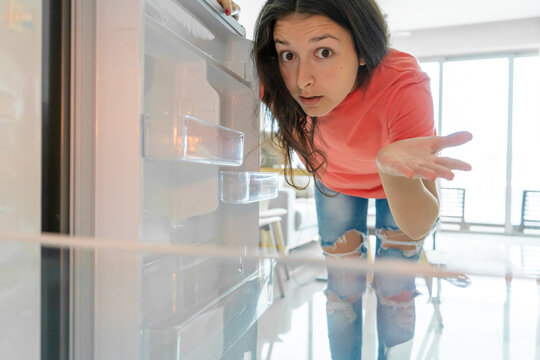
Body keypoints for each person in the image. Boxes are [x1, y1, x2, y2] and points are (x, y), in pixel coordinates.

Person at [220, 1, 472, 359]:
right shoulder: (276, 76)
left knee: (396, 287)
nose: (303, 79)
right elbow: (210, 52)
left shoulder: (403, 84)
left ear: (363, 52)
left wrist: (388, 166)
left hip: (396, 178)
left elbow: (418, 225)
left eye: (324, 52)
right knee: (343, 288)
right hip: (335, 179)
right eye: (288, 54)